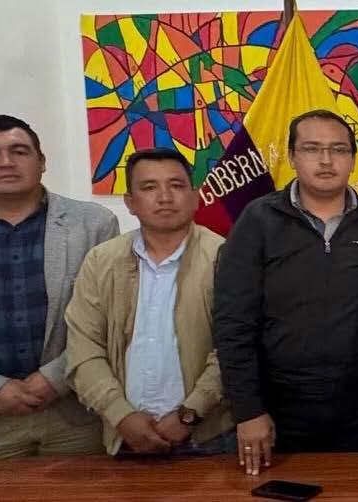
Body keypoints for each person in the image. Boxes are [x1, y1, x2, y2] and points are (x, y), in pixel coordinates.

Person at [214, 110, 358, 475]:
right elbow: (233, 322)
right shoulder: (258, 220)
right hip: (280, 406)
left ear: (353, 158)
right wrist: (248, 411)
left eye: (338, 149)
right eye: (312, 149)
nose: (326, 160)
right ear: (292, 156)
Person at [0, 115, 118, 463]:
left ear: (42, 161)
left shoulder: (93, 224)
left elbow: (110, 318)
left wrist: (55, 379)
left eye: (19, 151)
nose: (6, 162)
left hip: (75, 411)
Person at [65, 148, 234, 456]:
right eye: (149, 187)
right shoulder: (101, 261)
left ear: (195, 197)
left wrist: (190, 413)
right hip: (124, 435)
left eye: (176, 185)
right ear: (130, 202)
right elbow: (83, 347)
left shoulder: (225, 256)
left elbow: (235, 346)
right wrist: (120, 415)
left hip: (208, 436)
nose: (165, 197)